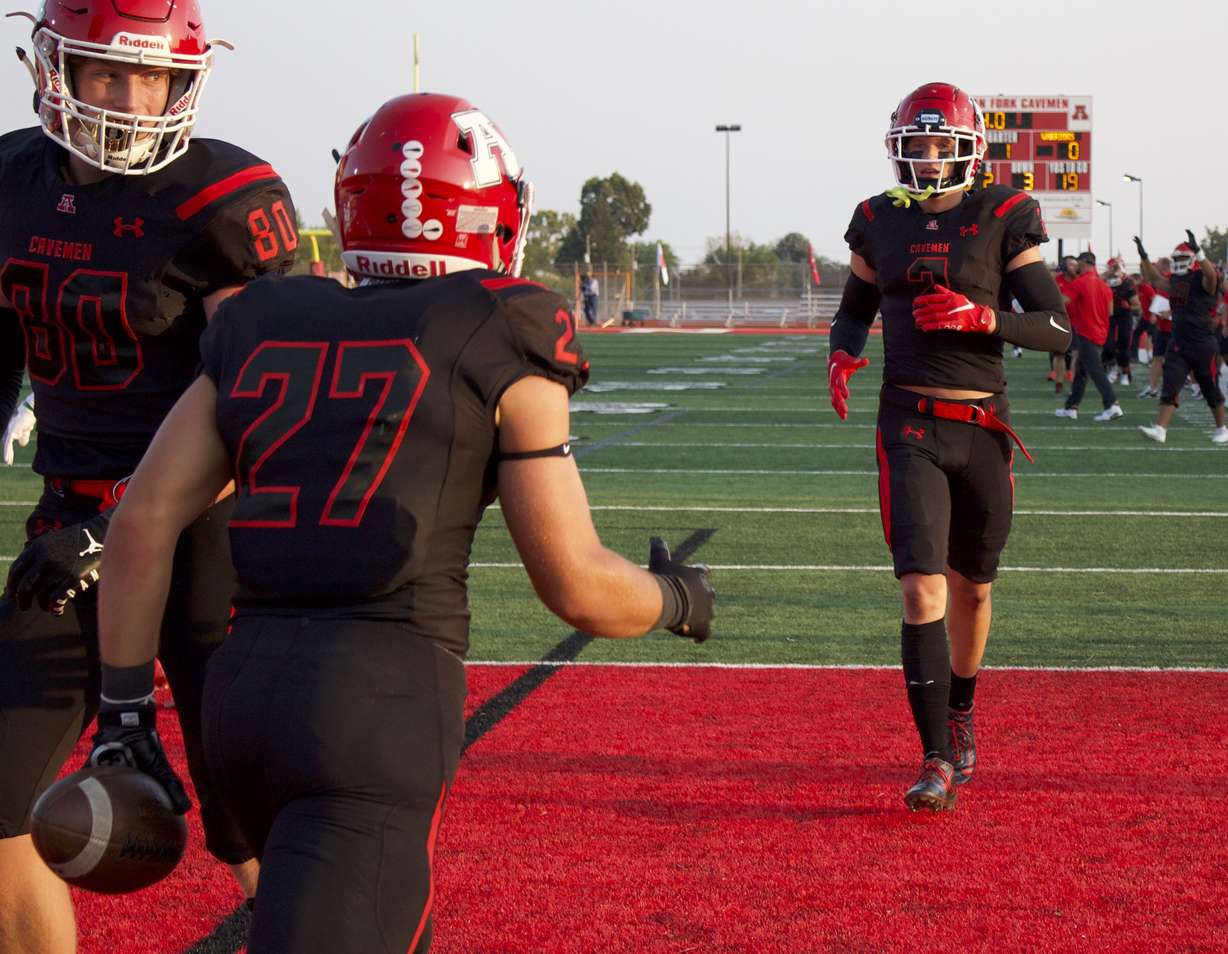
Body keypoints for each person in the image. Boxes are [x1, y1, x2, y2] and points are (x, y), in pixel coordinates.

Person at [87, 93, 715, 953]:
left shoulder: (266, 319)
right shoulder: (501, 325)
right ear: (494, 215)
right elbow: (577, 587)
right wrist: (677, 597)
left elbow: (143, 520)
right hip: (372, 709)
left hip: (242, 702)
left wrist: (124, 715)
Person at [0, 2, 298, 949]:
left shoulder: (220, 197)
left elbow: (257, 411)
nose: (130, 100)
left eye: (152, 78)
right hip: (67, 525)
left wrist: (115, 528)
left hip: (207, 536)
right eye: (105, 74)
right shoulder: (9, 179)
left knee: (245, 819)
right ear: (56, 69)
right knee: (1, 793)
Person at [827, 83, 1070, 812]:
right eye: (918, 146)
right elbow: (852, 312)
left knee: (974, 587)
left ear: (969, 149)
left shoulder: (1003, 214)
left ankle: (960, 708)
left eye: (942, 145)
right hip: (908, 423)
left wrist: (982, 315)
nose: (929, 160)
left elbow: (1057, 328)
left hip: (982, 427)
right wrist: (840, 353)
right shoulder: (877, 220)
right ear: (899, 149)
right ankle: (934, 757)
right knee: (920, 586)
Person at [1136, 233, 1228, 444]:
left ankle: (1222, 428)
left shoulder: (1202, 278)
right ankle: (1161, 429)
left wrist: (1200, 252)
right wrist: (1143, 256)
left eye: (1181, 258)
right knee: (1171, 384)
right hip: (1178, 341)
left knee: (1208, 387)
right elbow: (1155, 279)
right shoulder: (1176, 279)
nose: (1178, 262)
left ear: (1192, 258)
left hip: (1203, 342)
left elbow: (1212, 277)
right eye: (1175, 259)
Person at [1054, 252, 1122, 422]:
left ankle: (1112, 404)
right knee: (1082, 372)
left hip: (1086, 333)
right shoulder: (1104, 285)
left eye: (1078, 263)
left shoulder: (1080, 283)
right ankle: (1071, 407)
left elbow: (1063, 301)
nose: (1076, 266)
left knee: (1095, 371)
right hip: (1100, 333)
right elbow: (1110, 311)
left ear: (1084, 263)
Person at [1102, 257, 1140, 386]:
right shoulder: (1103, 281)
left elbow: (1137, 305)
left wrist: (1128, 306)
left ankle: (1124, 372)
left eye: (1115, 268)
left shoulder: (1127, 283)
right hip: (1108, 317)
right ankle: (1112, 367)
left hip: (1124, 317)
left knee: (1124, 348)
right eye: (1111, 268)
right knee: (1108, 346)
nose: (1113, 271)